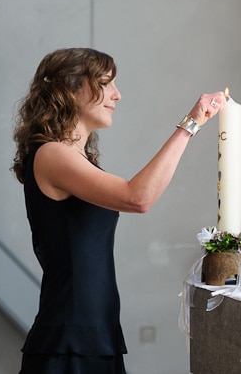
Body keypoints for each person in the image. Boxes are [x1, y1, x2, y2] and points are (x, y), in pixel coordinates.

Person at [11, 48, 224, 374]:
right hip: (69, 342)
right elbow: (138, 198)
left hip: (96, 333)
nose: (117, 95)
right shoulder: (52, 155)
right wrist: (191, 122)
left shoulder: (77, 158)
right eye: (106, 83)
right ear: (71, 88)